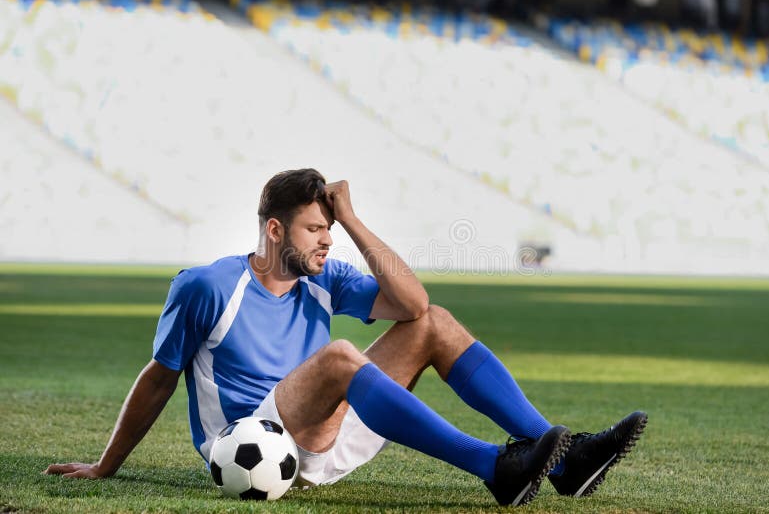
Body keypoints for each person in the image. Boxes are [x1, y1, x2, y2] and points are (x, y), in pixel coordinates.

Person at [44, 168, 647, 506]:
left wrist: (352, 220)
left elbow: (415, 305)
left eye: (329, 229)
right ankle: (494, 467)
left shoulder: (326, 274)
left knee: (432, 324)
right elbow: (159, 377)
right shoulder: (207, 286)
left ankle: (560, 459)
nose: (326, 241)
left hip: (326, 425)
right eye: (315, 229)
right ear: (274, 230)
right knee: (339, 355)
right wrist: (106, 465)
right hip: (250, 440)